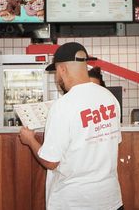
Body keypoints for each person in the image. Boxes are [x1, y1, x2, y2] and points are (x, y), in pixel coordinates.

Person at [19, 42, 123, 210]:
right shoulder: (109, 98)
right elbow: (113, 142)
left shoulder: (63, 106)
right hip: (110, 200)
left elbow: (50, 162)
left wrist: (29, 140)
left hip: (74, 202)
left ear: (62, 70)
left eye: (56, 72)